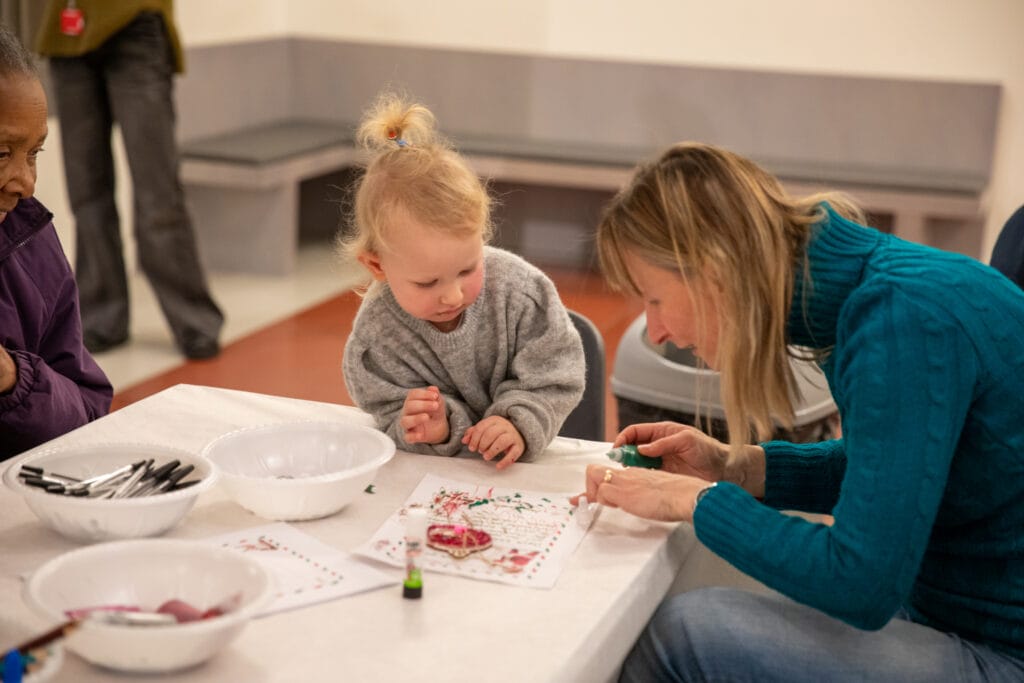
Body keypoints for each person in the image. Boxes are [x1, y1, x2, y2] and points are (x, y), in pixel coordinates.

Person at [573, 142, 1024, 681]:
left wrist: (701, 501)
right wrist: (731, 466)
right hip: (952, 611)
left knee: (682, 631)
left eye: (654, 299)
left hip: (999, 650)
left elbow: (861, 584)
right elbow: (887, 472)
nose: (658, 330)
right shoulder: (872, 297)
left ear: (713, 273)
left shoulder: (902, 323)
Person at [341, 92, 585, 469]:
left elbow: (556, 376)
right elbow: (391, 416)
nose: (453, 295)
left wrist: (518, 422)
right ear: (376, 266)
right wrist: (436, 428)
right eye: (427, 283)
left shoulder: (522, 293)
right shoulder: (376, 340)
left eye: (468, 269)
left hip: (526, 473)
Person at [35, 0, 223, 359]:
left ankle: (194, 320)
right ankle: (103, 318)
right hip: (65, 36)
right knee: (86, 192)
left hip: (135, 25)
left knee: (158, 193)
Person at [1, 23, 112, 461]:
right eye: (1, 153)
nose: (26, 184)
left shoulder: (31, 242)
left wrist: (14, 379)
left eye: (34, 154)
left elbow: (89, 413)